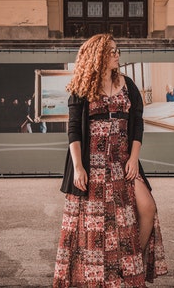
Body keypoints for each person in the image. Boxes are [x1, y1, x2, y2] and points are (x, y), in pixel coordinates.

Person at [54, 33, 167, 287]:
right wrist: (78, 167)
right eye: (113, 51)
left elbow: (137, 124)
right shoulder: (82, 88)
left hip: (122, 162)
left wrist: (134, 158)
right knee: (95, 227)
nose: (118, 54)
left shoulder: (128, 85)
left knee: (147, 207)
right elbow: (73, 130)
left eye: (117, 50)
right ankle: (99, 278)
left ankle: (131, 263)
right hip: (91, 164)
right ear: (99, 56)